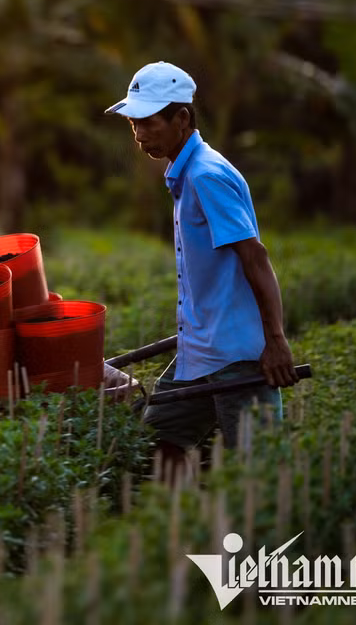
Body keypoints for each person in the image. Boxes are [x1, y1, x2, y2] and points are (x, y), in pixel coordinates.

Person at [105, 61, 299, 480]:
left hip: (235, 355)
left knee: (260, 473)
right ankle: (184, 528)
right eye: (133, 124)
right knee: (157, 445)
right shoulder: (186, 174)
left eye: (149, 124)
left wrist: (276, 342)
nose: (139, 136)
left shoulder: (206, 175)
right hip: (198, 349)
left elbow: (255, 258)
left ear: (182, 119)